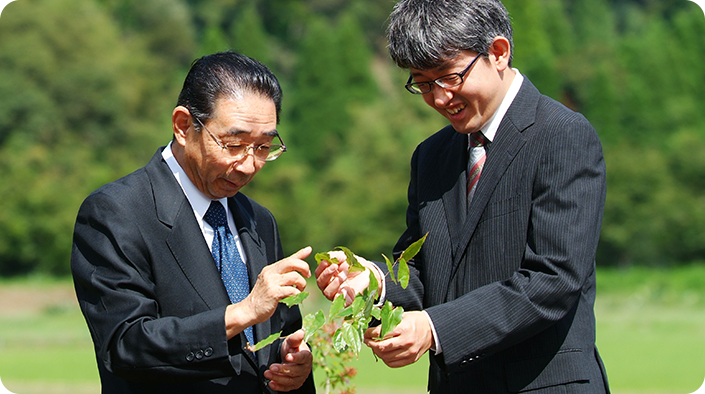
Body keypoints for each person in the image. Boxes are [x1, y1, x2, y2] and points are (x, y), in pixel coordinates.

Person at [315, 0, 610, 393]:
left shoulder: (562, 135)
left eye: (449, 77)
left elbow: (553, 279)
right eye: (422, 83)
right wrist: (373, 281)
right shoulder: (431, 156)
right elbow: (425, 272)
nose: (439, 99)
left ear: (499, 53)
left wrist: (435, 329)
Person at [71, 51, 315, 394]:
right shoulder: (116, 213)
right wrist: (240, 314)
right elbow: (125, 345)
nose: (248, 165)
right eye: (234, 144)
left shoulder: (259, 220)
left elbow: (280, 330)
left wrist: (295, 363)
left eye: (263, 147)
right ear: (184, 126)